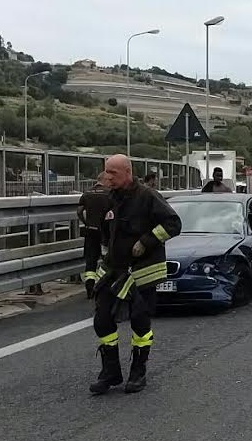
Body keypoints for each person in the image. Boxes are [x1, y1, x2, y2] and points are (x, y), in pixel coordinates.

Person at [90, 154, 182, 395]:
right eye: (106, 172)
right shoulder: (109, 200)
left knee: (140, 320)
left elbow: (173, 224)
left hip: (143, 270)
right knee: (102, 319)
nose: (108, 177)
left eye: (113, 173)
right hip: (114, 268)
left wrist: (147, 240)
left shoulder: (148, 196)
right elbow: (103, 233)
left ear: (128, 173)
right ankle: (110, 372)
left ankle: (138, 372)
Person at [77, 172, 112, 298]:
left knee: (90, 261)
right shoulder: (109, 194)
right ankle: (103, 286)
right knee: (106, 259)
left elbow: (79, 211)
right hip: (105, 233)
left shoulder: (86, 194)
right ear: (105, 180)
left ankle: (89, 288)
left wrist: (86, 222)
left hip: (90, 232)